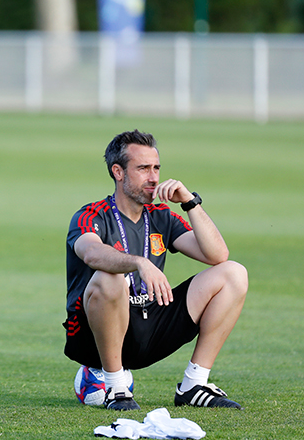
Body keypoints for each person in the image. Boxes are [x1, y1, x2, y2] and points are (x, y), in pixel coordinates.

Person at [63, 130, 248, 411]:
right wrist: (139, 262)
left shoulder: (161, 216)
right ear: (118, 172)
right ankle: (116, 387)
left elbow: (217, 255)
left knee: (233, 273)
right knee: (109, 277)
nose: (153, 178)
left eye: (156, 168)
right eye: (143, 168)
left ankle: (194, 385)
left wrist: (189, 202)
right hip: (93, 338)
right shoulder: (91, 215)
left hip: (150, 327)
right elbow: (91, 253)